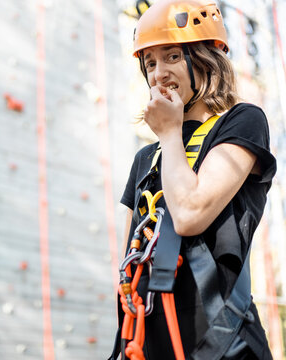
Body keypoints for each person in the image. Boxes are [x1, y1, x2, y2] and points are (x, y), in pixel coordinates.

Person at [111, 0, 277, 359]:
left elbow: (188, 214)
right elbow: (128, 264)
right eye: (150, 63)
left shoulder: (241, 122)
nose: (159, 73)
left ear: (204, 58)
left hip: (220, 339)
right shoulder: (146, 159)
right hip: (149, 338)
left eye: (172, 56)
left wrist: (170, 133)